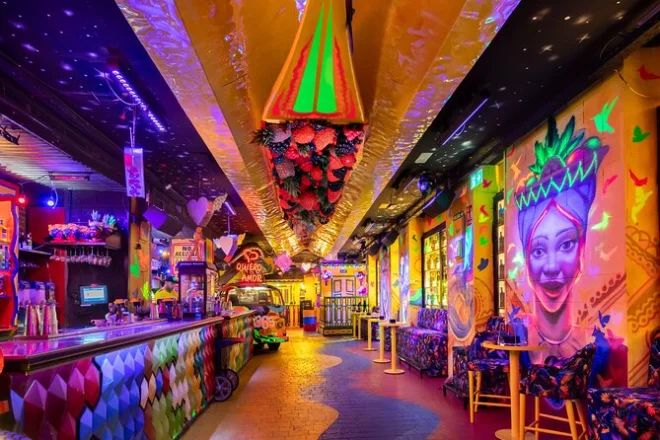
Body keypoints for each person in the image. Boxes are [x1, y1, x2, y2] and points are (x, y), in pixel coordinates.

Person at [515, 116, 608, 362]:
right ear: (526, 259)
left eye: (566, 244)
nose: (551, 266)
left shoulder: (595, 343)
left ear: (582, 251)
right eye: (538, 250)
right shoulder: (518, 331)